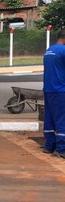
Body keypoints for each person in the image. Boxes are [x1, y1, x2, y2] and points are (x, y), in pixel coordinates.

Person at [43, 29, 65, 158]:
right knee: (62, 119)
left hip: (48, 89)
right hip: (61, 90)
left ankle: (49, 145)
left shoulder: (48, 51)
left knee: (50, 118)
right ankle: (61, 148)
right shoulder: (63, 51)